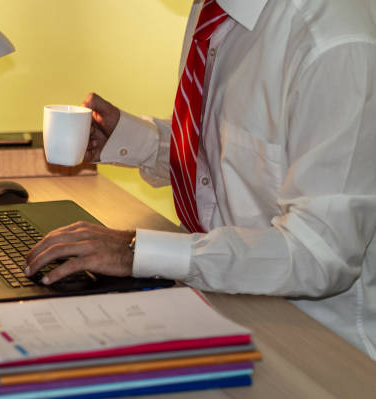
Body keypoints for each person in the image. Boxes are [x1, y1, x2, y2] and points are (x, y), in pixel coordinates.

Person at [25, 0, 376, 360]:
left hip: (323, 350)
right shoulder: (214, 10)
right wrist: (137, 140)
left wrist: (136, 251)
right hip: (225, 302)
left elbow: (319, 255)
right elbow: (235, 159)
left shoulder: (334, 43)